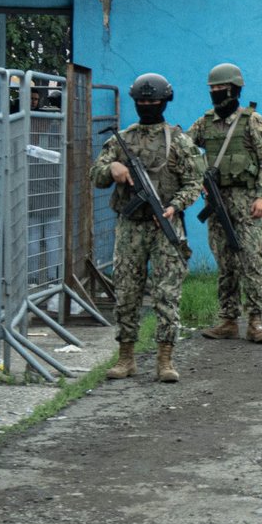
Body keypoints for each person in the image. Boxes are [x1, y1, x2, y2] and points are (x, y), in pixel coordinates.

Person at [92, 73, 204, 383]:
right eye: (141, 101)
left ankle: (165, 360)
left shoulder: (179, 141)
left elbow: (194, 182)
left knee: (167, 293)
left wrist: (175, 206)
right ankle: (126, 357)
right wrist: (111, 168)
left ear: (165, 102)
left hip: (165, 225)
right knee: (127, 291)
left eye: (152, 101)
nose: (146, 105)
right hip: (131, 227)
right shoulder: (122, 139)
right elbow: (96, 174)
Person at [188, 62, 262, 344]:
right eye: (213, 88)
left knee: (251, 261)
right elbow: (184, 148)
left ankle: (255, 322)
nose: (216, 92)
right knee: (225, 263)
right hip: (217, 203)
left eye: (221, 88)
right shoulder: (204, 123)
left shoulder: (252, 121)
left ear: (235, 89)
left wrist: (261, 196)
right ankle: (228, 320)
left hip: (247, 202)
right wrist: (198, 177)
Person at [27, 86, 64, 286]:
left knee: (33, 235)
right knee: (52, 236)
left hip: (32, 187)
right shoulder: (58, 133)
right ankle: (53, 277)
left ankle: (32, 277)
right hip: (53, 188)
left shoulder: (27, 130)